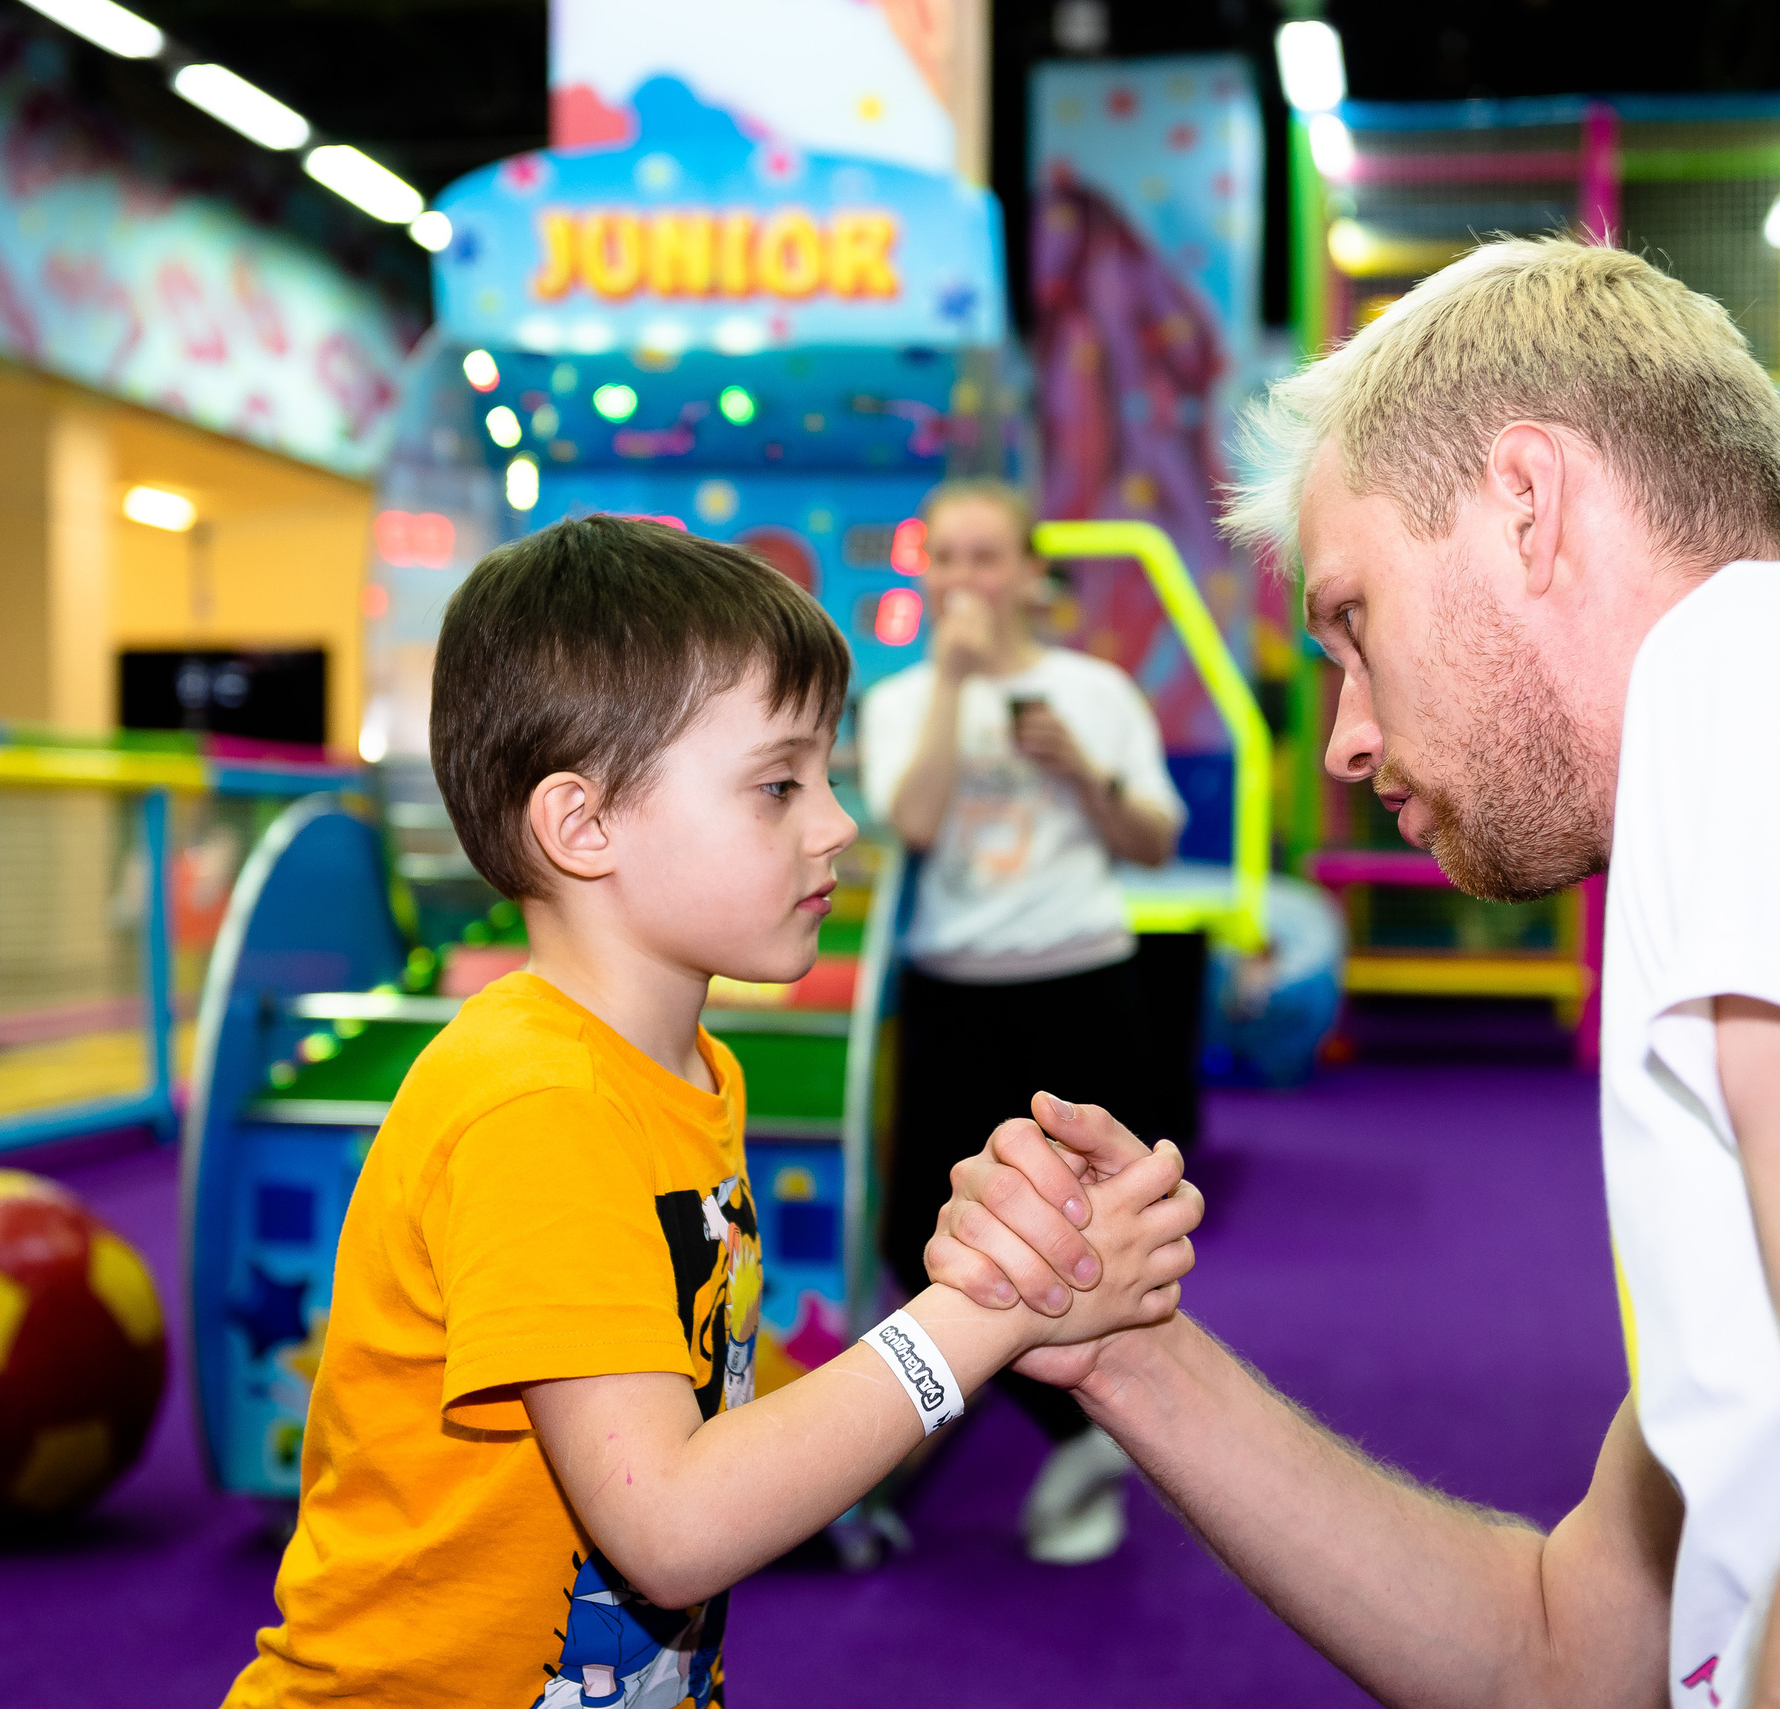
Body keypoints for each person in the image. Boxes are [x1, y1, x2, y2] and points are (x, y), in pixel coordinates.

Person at [928, 237, 1780, 1709]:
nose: (1344, 735)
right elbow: (1567, 1651)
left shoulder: (1765, 678)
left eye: (1353, 621)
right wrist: (1128, 1358)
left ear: (1525, 503)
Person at [221, 516, 1202, 1709]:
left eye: (827, 774)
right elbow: (673, 1522)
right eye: (780, 783)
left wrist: (1009, 1267)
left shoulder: (685, 1069)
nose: (837, 821)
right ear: (582, 825)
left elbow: (705, 1405)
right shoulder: (535, 1103)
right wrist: (977, 1316)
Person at [857, 477, 1187, 1564]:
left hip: (1081, 985)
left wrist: (1083, 778)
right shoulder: (903, 699)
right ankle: (1077, 1433)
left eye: (984, 556)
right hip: (954, 989)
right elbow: (906, 821)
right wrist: (951, 686)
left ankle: (1096, 1436)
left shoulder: (1092, 690)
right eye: (942, 556)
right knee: (923, 1236)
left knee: (1094, 1240)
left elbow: (1151, 839)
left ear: (1030, 574)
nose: (962, 578)